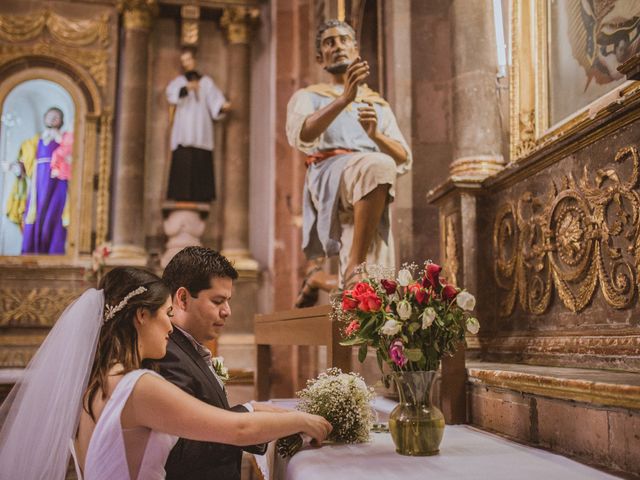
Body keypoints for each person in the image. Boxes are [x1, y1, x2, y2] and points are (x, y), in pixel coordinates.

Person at [0, 266, 331, 480]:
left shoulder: (98, 383)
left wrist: (286, 413)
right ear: (142, 316)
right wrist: (305, 422)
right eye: (167, 314)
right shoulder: (138, 386)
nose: (170, 327)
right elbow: (238, 428)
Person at [286, 19, 412, 307]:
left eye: (344, 40)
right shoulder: (308, 96)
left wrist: (376, 134)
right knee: (378, 167)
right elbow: (303, 133)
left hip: (371, 185)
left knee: (378, 281)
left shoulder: (377, 103)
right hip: (330, 174)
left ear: (356, 50)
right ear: (320, 57)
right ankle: (355, 265)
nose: (338, 46)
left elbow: (403, 157)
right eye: (330, 42)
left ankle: (320, 279)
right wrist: (344, 99)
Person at [148, 246, 281, 479]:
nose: (227, 311)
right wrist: (247, 417)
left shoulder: (187, 347)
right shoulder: (166, 354)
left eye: (228, 301)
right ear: (182, 298)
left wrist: (259, 424)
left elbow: (205, 423)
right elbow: (182, 450)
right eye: (218, 301)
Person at [166, 47, 230, 202]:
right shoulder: (179, 82)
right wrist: (186, 88)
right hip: (184, 130)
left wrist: (222, 106)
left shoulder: (206, 82)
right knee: (183, 161)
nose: (186, 63)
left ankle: (202, 197)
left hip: (201, 130)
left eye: (188, 60)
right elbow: (171, 95)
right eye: (183, 61)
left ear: (194, 60)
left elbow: (215, 100)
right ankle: (180, 196)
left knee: (201, 161)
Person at [7, 107, 73, 254]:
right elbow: (24, 163)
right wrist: (15, 167)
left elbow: (71, 158)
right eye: (49, 116)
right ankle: (32, 250)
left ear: (61, 120)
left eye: (56, 116)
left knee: (55, 214)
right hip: (39, 183)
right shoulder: (34, 141)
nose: (52, 118)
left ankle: (54, 251)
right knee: (35, 214)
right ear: (44, 119)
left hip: (58, 182)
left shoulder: (65, 140)